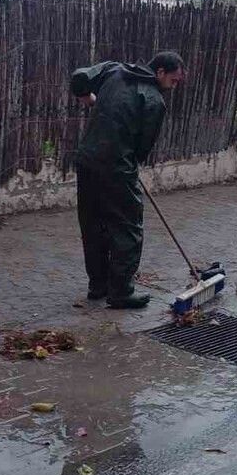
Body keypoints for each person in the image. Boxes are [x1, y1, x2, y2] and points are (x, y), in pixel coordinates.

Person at [69, 51, 186, 309]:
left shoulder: (114, 69)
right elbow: (143, 147)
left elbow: (79, 77)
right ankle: (120, 291)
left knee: (93, 224)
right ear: (160, 73)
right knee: (128, 227)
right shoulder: (154, 100)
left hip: (87, 161)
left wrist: (86, 97)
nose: (174, 86)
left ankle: (98, 286)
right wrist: (129, 163)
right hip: (117, 168)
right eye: (174, 81)